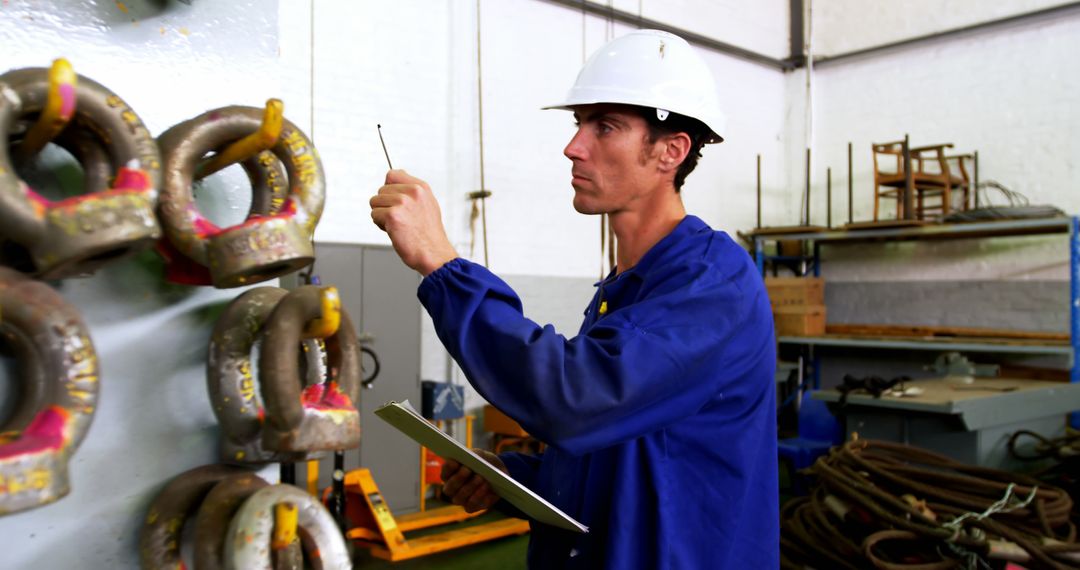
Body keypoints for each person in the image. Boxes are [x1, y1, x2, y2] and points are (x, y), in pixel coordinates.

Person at [370, 29, 778, 569]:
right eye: (578, 124)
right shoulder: (624, 286)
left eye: (605, 126)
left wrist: (444, 265)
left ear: (671, 151)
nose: (574, 146)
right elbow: (618, 444)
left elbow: (576, 400)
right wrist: (515, 480)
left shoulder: (713, 281)